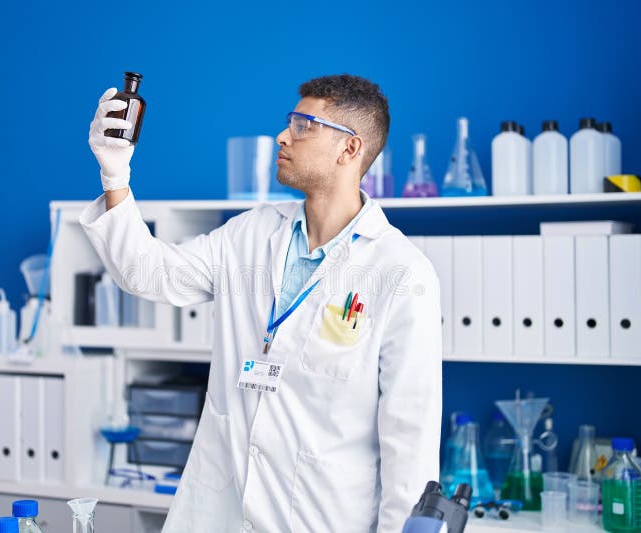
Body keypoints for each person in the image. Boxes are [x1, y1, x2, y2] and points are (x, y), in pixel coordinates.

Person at [81, 74, 442, 532]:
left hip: (321, 519)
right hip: (218, 516)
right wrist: (115, 172)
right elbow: (146, 273)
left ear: (349, 149)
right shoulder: (250, 234)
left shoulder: (400, 271)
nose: (283, 135)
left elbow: (409, 437)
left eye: (304, 124)